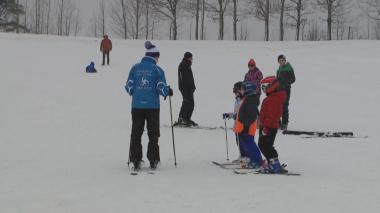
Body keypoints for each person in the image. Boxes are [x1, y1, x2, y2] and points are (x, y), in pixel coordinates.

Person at [125, 41, 173, 171]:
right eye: (158, 56)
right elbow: (160, 87)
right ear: (154, 56)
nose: (158, 59)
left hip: (137, 106)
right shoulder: (157, 70)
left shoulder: (135, 67)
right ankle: (153, 160)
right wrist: (168, 91)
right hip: (152, 107)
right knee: (153, 134)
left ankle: (135, 159)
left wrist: (135, 92)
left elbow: (129, 86)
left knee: (136, 132)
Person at [258, 76, 287, 174]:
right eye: (262, 87)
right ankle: (272, 163)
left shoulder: (273, 99)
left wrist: (266, 127)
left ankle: (275, 165)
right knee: (265, 145)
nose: (264, 89)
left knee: (265, 146)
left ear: (272, 86)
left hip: (269, 127)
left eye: (265, 87)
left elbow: (272, 115)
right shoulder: (271, 98)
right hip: (267, 126)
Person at [233, 81, 264, 168]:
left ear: (248, 90)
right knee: (245, 144)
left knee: (250, 144)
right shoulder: (247, 99)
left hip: (247, 127)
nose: (241, 91)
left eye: (243, 89)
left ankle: (257, 161)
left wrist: (246, 126)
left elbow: (251, 115)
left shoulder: (251, 100)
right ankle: (250, 158)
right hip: (243, 127)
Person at [222, 81, 246, 163]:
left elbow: (243, 113)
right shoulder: (237, 101)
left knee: (243, 141)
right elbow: (236, 113)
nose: (235, 94)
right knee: (238, 142)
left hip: (243, 125)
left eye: (236, 92)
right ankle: (241, 155)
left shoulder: (244, 101)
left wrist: (237, 116)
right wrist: (229, 115)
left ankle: (246, 157)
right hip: (237, 125)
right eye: (234, 92)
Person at [176, 52, 197, 126]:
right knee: (186, 102)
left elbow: (190, 77)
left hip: (189, 88)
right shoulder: (183, 64)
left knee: (191, 103)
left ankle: (187, 118)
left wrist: (193, 86)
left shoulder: (187, 64)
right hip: (185, 88)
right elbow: (184, 78)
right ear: (188, 58)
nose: (192, 59)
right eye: (191, 58)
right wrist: (187, 87)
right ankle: (181, 118)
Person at [276, 55, 295, 130]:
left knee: (285, 106)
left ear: (285, 60)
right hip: (279, 90)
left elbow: (293, 79)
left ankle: (285, 123)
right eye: (280, 60)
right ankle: (278, 123)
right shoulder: (279, 69)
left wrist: (285, 83)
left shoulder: (289, 68)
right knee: (278, 106)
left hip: (286, 90)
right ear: (278, 62)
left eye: (283, 60)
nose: (281, 62)